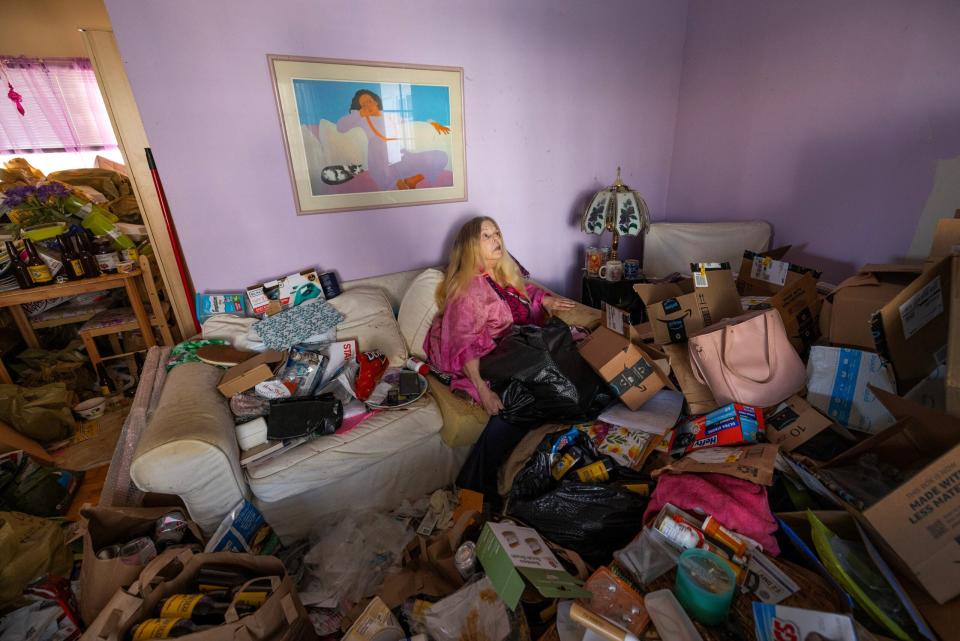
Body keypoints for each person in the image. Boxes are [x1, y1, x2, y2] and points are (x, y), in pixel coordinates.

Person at [425, 216, 576, 496]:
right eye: (487, 236)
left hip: (515, 350)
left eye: (497, 234)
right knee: (521, 401)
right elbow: (464, 344)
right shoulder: (468, 291)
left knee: (564, 370)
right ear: (471, 246)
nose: (496, 241)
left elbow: (522, 292)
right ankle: (473, 485)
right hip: (486, 359)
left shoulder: (501, 271)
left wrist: (546, 300)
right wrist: (482, 390)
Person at [336, 89, 450, 191]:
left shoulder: (391, 116)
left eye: (369, 101)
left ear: (375, 101)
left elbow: (413, 119)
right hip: (381, 161)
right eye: (363, 104)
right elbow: (340, 127)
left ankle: (412, 180)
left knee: (441, 156)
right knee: (376, 142)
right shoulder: (362, 119)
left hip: (402, 158)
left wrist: (433, 122)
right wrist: (360, 114)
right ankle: (392, 184)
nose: (368, 105)